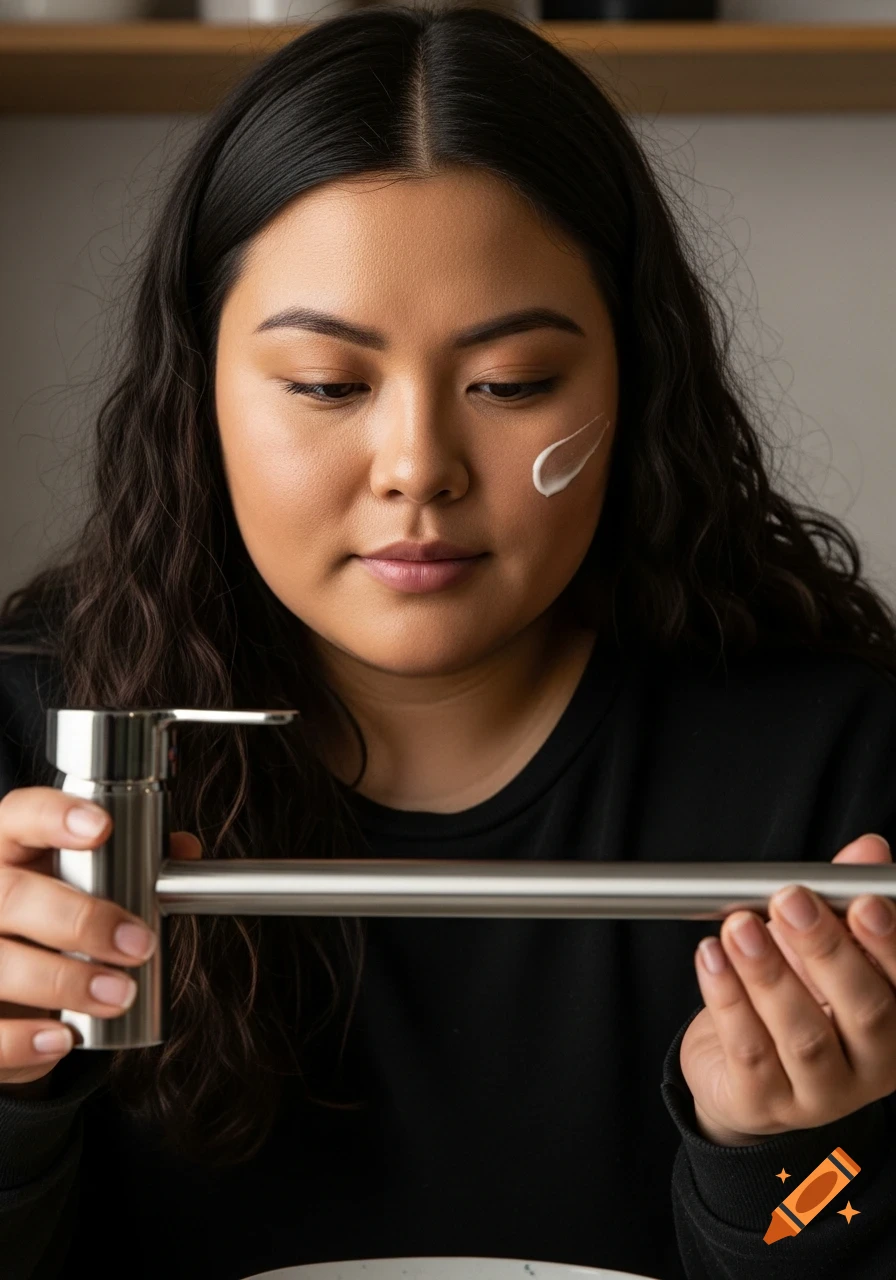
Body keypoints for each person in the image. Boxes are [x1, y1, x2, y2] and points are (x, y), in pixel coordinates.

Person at [1, 5, 895, 1279]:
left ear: (630, 382)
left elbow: (839, 1215)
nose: (417, 467)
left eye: (514, 382)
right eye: (325, 384)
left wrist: (794, 1167)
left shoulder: (836, 767)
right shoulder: (23, 748)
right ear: (197, 395)